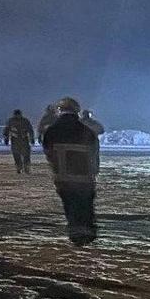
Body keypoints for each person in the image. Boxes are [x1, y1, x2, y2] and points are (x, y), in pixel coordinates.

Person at [42, 97, 100, 246]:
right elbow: (95, 153)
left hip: (63, 176)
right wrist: (94, 171)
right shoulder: (87, 130)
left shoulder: (52, 131)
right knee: (85, 203)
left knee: (70, 202)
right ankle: (87, 231)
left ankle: (75, 231)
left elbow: (48, 151)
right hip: (85, 176)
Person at [3, 109, 35, 173]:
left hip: (24, 139)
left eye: (18, 115)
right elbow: (6, 130)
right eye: (16, 115)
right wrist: (6, 138)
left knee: (26, 154)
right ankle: (19, 167)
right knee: (16, 154)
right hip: (15, 140)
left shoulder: (25, 121)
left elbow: (30, 130)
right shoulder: (11, 121)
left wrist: (32, 138)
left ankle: (26, 167)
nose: (18, 116)